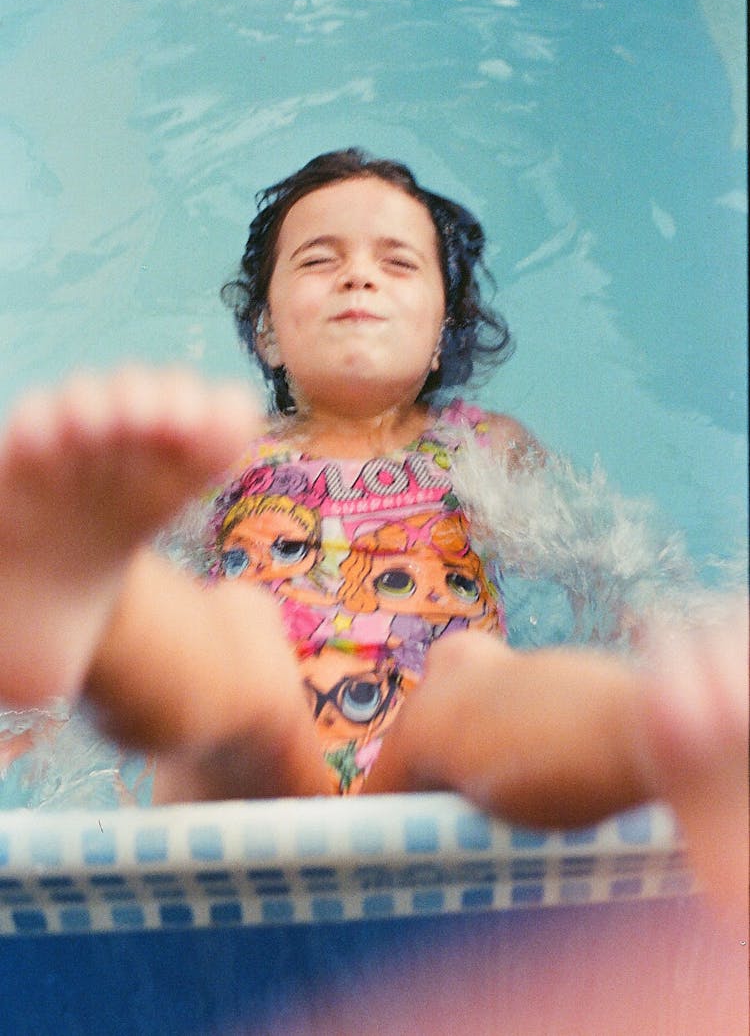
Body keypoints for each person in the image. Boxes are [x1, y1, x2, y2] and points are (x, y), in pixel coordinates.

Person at [0, 149, 746, 917]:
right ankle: (84, 600)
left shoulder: (478, 446)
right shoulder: (227, 455)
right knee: (239, 657)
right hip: (252, 794)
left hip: (428, 780)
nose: (359, 276)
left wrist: (658, 622)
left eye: (398, 263)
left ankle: (669, 726)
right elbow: (170, 580)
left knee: (471, 677)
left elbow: (600, 557)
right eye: (320, 260)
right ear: (267, 333)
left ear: (437, 335)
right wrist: (50, 705)